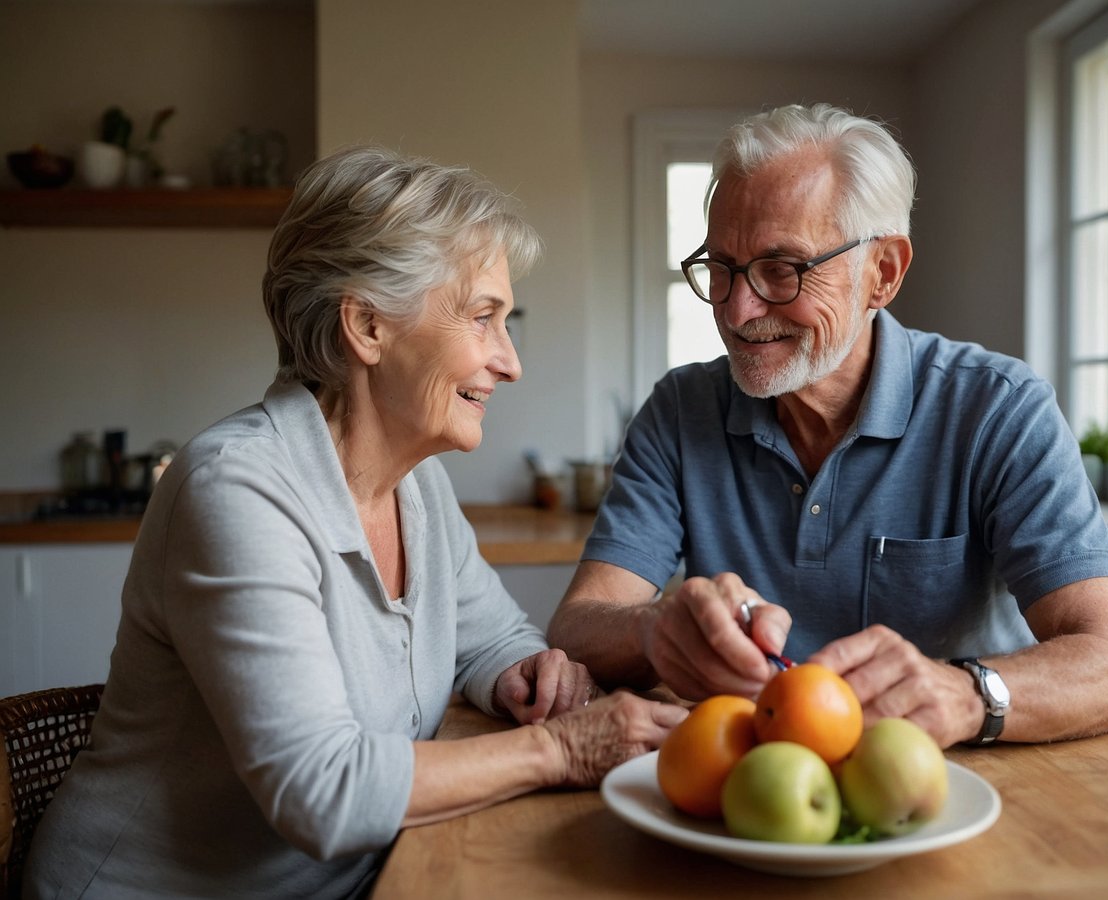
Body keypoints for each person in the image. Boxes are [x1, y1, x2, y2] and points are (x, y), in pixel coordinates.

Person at [23, 147, 686, 899]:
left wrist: (520, 676)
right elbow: (322, 790)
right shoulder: (238, 490)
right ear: (367, 326)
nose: (510, 362)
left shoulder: (419, 487)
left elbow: (494, 638)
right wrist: (560, 749)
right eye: (483, 318)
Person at [547, 103, 1108, 749]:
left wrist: (966, 694)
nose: (738, 309)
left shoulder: (998, 407)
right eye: (720, 268)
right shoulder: (680, 409)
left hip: (960, 781)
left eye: (783, 268)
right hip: (747, 772)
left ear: (882, 273)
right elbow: (576, 628)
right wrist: (652, 630)